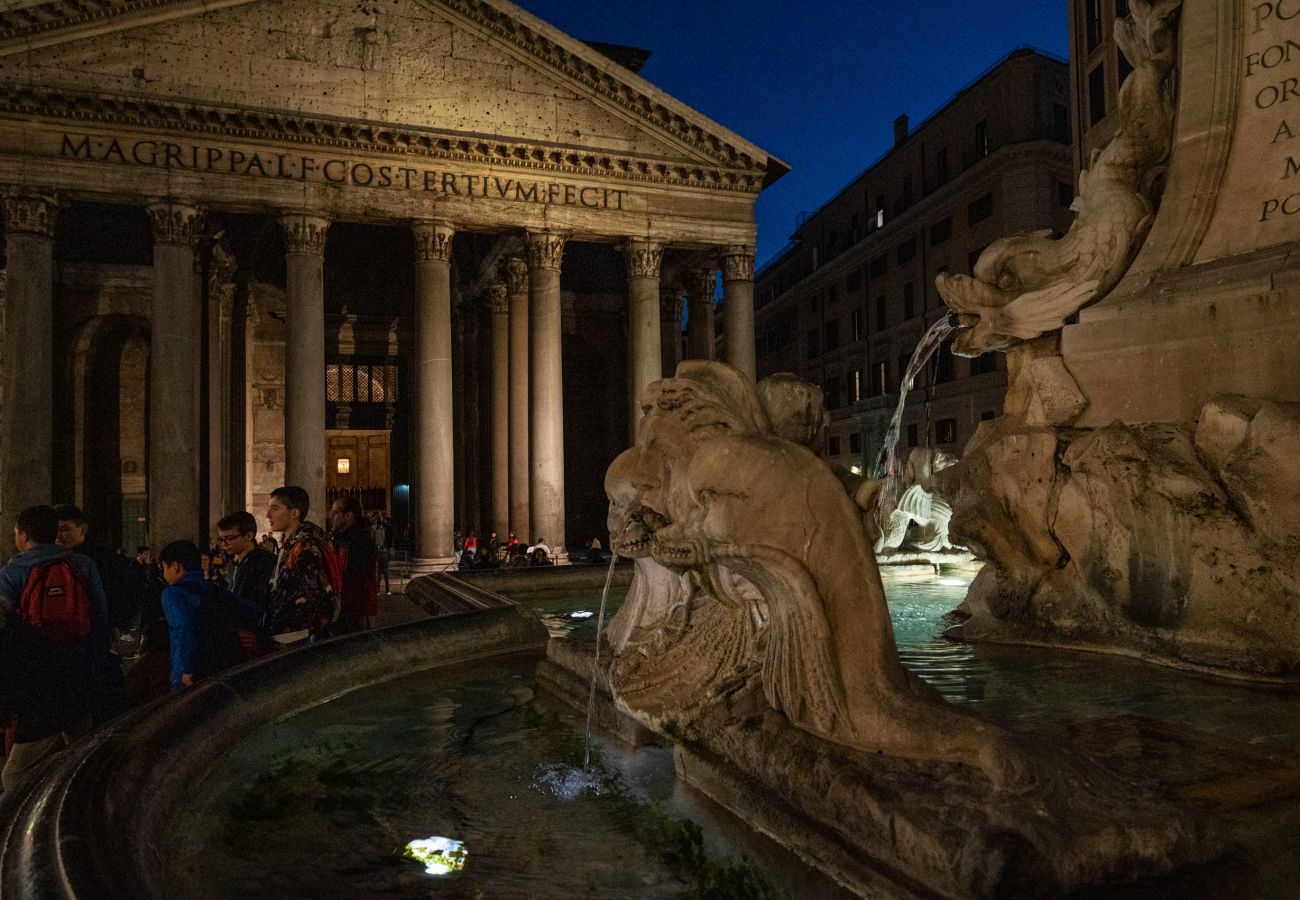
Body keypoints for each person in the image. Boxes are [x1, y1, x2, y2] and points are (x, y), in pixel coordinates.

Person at [0, 506, 111, 787]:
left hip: (36, 682)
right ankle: (92, 809)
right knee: (85, 755)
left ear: (23, 535)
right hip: (80, 672)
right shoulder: (82, 565)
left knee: (14, 775)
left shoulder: (13, 571)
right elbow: (100, 619)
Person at [158, 540, 244, 692]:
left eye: (164, 568)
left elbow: (183, 628)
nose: (164, 574)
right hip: (223, 664)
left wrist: (183, 671)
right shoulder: (212, 587)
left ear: (175, 567)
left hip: (195, 671)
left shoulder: (172, 593)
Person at [54, 504, 144, 638]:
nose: (58, 535)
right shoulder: (48, 558)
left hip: (94, 632)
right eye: (54, 530)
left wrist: (117, 624)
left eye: (65, 529)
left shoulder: (104, 559)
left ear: (82, 529)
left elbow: (129, 590)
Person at [264, 486, 337, 643]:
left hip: (297, 637)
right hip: (287, 633)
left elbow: (318, 598)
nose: (267, 515)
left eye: (275, 509)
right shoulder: (292, 544)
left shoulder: (304, 548)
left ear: (294, 513)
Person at [217, 511, 277, 656]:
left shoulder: (264, 562)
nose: (224, 545)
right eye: (222, 540)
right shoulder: (235, 563)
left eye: (229, 538)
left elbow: (262, 604)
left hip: (255, 638)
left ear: (249, 536)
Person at [327, 496, 379, 633]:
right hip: (342, 606)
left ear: (348, 515)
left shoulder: (361, 541)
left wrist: (368, 610)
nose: (331, 516)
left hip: (356, 609)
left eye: (335, 512)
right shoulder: (339, 537)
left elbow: (363, 579)